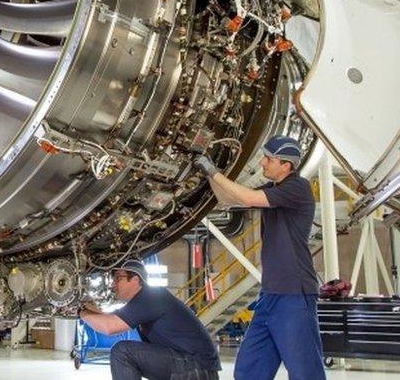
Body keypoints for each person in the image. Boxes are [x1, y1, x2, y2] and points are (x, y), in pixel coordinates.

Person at [194, 135, 325, 380]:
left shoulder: (297, 187)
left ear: (286, 165)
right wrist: (209, 174)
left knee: (305, 372)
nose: (263, 163)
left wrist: (212, 170)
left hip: (294, 296)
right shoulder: (274, 190)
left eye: (269, 159)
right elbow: (227, 199)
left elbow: (246, 198)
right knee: (248, 371)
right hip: (269, 296)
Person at [79, 259, 221, 379]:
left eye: (118, 279)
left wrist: (81, 313)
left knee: (122, 352)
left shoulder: (151, 296)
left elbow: (109, 327)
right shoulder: (144, 300)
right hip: (193, 365)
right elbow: (109, 317)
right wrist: (83, 307)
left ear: (135, 279)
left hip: (197, 367)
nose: (113, 285)